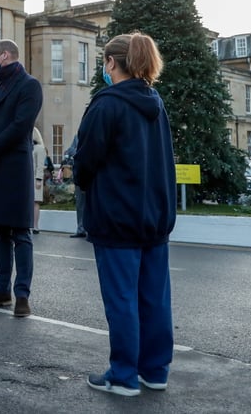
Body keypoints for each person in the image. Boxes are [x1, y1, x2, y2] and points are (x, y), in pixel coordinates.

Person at [74, 32, 176, 398]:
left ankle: (123, 376)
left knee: (121, 299)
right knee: (154, 298)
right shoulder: (156, 102)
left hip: (118, 216)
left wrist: (82, 180)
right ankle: (154, 370)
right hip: (155, 216)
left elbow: (85, 161)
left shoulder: (106, 104)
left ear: (112, 63)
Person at [0, 39, 43, 318]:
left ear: (4, 56)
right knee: (0, 230)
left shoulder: (29, 85)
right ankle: (1, 290)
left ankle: (22, 294)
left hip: (14, 165)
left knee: (21, 232)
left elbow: (21, 125)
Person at [68, 138, 86, 238]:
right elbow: (70, 150)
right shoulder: (77, 137)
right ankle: (81, 229)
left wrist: (79, 152)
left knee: (90, 204)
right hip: (79, 174)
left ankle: (89, 230)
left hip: (91, 175)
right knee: (80, 204)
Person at [31, 127, 47, 234]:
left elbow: (40, 166)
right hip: (28, 179)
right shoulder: (30, 148)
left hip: (36, 178)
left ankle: (35, 226)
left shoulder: (40, 148)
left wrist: (39, 179)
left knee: (35, 203)